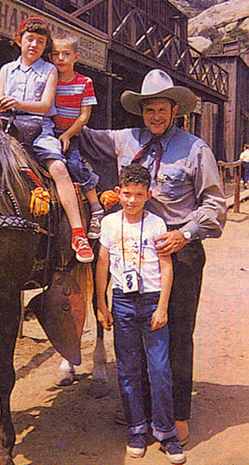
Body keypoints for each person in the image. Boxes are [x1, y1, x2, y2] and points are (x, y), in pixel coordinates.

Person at [80, 69, 227, 444]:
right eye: (149, 111)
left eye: (162, 109)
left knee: (176, 333)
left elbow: (214, 203)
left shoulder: (196, 149)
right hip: (134, 253)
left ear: (174, 110)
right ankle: (142, 409)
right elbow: (82, 135)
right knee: (137, 334)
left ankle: (177, 413)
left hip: (180, 251)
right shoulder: (124, 140)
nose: (155, 117)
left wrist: (184, 233)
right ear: (141, 112)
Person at [96, 163, 185, 464]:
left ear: (148, 195)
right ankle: (137, 429)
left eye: (138, 195)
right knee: (128, 368)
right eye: (127, 194)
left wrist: (162, 306)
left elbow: (166, 266)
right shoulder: (109, 224)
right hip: (122, 302)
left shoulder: (158, 224)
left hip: (151, 303)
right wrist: (101, 303)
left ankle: (166, 432)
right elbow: (102, 266)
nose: (131, 201)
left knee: (159, 369)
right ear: (118, 193)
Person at [0, 16, 94, 263]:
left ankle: (78, 234)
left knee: (59, 167)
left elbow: (46, 105)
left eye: (40, 41)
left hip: (39, 128)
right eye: (29, 39)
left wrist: (17, 103)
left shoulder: (49, 70)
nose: (34, 45)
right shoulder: (6, 69)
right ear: (19, 41)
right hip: (8, 126)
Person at [51, 32, 104, 239]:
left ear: (76, 57)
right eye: (56, 54)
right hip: (49, 132)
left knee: (73, 165)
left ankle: (95, 205)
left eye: (66, 53)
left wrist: (67, 134)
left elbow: (84, 116)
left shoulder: (84, 82)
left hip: (71, 134)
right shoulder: (50, 80)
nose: (61, 58)